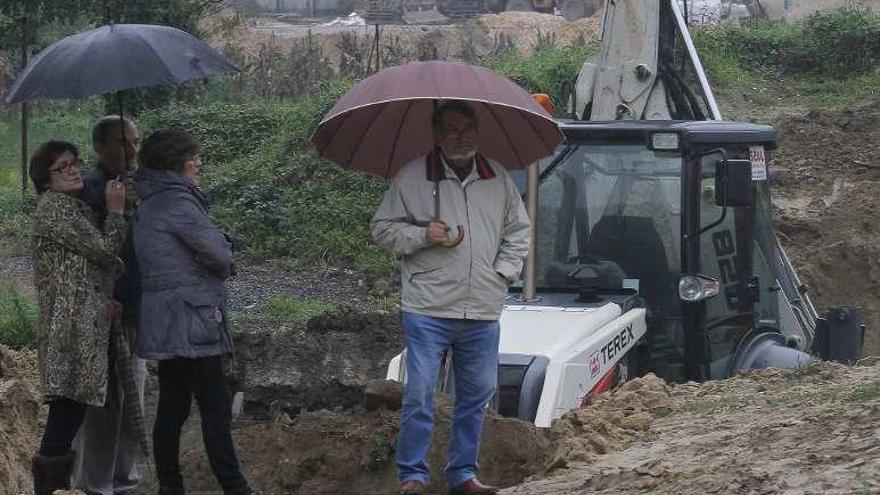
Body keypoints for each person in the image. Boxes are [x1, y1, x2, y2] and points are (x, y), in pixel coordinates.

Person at [370, 101, 530, 495]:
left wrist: (503, 273)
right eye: (454, 130)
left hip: (482, 307)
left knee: (476, 395)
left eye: (470, 128)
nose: (464, 137)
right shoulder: (413, 177)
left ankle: (462, 474)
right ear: (438, 136)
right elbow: (382, 229)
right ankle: (412, 475)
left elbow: (518, 231)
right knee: (421, 394)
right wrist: (423, 236)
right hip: (428, 307)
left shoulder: (497, 177)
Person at [132, 129, 258, 495]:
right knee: (215, 407)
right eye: (195, 159)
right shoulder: (178, 202)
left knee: (172, 406)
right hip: (193, 319)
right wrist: (221, 254)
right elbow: (219, 255)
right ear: (183, 165)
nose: (199, 166)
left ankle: (170, 487)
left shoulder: (150, 200)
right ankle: (236, 488)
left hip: (166, 319)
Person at [29, 141, 127, 495]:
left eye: (74, 163)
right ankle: (49, 488)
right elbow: (104, 250)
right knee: (65, 414)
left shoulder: (72, 208)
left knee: (70, 412)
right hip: (69, 331)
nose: (73, 170)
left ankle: (56, 487)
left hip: (79, 326)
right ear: (45, 180)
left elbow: (86, 266)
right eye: (62, 167)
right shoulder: (57, 209)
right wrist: (116, 211)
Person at [72, 114, 147, 495]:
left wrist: (137, 207)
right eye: (122, 142)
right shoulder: (89, 190)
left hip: (135, 310)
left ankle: (124, 481)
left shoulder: (138, 186)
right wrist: (117, 212)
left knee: (133, 400)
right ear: (100, 147)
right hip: (105, 314)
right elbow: (95, 254)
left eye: (134, 141)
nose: (131, 149)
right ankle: (95, 485)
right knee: (104, 405)